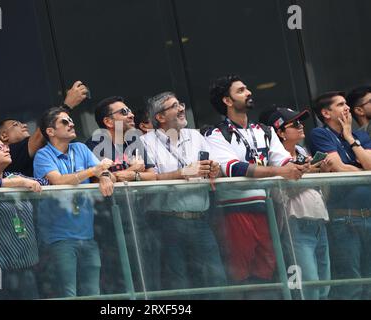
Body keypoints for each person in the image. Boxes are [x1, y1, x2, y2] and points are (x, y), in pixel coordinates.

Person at [205, 75, 308, 299]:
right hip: (234, 212)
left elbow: (283, 162)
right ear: (227, 101)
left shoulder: (265, 130)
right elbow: (234, 168)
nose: (249, 92)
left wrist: (301, 166)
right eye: (241, 90)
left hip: (266, 209)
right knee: (241, 277)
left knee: (266, 273)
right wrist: (281, 171)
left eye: (247, 88)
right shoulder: (215, 134)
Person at [141, 91, 226, 293]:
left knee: (216, 278)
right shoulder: (144, 142)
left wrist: (215, 169)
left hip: (201, 219)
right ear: (160, 117)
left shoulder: (196, 136)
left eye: (180, 104)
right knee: (178, 283)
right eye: (174, 106)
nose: (181, 109)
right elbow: (149, 180)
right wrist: (183, 172)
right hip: (167, 223)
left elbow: (219, 170)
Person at [33, 106, 115, 297]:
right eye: (64, 121)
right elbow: (59, 180)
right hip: (59, 238)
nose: (71, 123)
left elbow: (105, 171)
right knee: (68, 293)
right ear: (50, 131)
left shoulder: (80, 148)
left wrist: (103, 176)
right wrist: (93, 171)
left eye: (71, 120)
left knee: (93, 292)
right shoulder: (43, 155)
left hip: (87, 235)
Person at [86, 96, 156, 293]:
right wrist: (133, 171)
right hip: (111, 225)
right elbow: (96, 179)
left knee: (148, 278)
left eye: (130, 110)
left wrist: (128, 174)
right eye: (124, 112)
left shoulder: (135, 141)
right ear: (108, 121)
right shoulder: (94, 144)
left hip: (140, 219)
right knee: (121, 281)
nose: (131, 114)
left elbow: (152, 176)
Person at [263, 107, 331, 300]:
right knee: (308, 287)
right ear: (280, 132)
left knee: (325, 285)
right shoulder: (274, 157)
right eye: (295, 124)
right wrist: (309, 172)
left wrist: (323, 173)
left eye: (302, 123)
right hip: (296, 226)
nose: (302, 127)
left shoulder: (303, 151)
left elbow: (322, 193)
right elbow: (280, 193)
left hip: (320, 223)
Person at [0, 135, 48, 299]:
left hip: (24, 261)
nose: (6, 148)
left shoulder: (15, 176)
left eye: (6, 146)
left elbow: (46, 183)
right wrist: (18, 183)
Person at [311, 91, 371, 299]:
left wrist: (348, 137)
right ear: (326, 113)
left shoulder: (359, 135)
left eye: (346, 104)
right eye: (341, 104)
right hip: (343, 218)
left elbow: (370, 165)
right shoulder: (320, 134)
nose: (347, 108)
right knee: (351, 282)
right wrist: (360, 167)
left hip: (369, 215)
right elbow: (338, 168)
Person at [0, 81, 89, 176]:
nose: (25, 125)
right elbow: (38, 137)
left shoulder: (78, 148)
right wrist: (68, 105)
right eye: (16, 124)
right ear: (4, 135)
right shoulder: (9, 152)